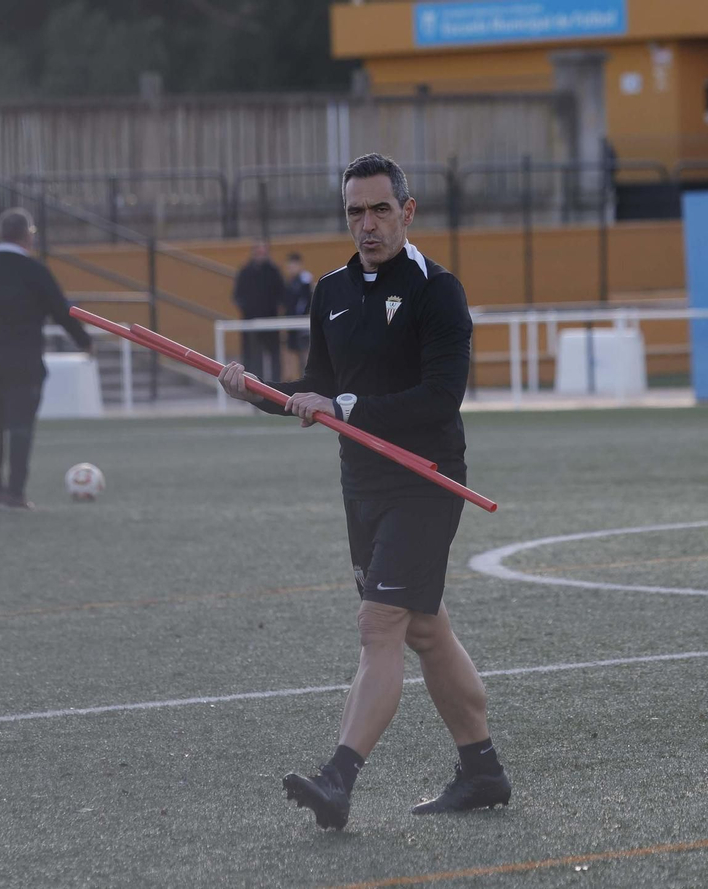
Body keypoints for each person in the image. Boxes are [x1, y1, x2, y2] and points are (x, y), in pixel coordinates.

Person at [218, 154, 509, 830]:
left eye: (380, 209)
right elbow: (317, 388)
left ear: (407, 211)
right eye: (356, 212)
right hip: (362, 483)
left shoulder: (439, 291)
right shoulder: (330, 291)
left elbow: (440, 396)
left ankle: (338, 780)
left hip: (425, 478)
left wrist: (343, 406)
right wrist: (255, 391)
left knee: (379, 625)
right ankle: (483, 770)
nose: (368, 224)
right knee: (425, 629)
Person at [0, 208, 93, 511]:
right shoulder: (35, 271)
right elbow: (62, 311)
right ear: (27, 236)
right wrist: (85, 341)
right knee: (21, 427)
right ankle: (16, 493)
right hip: (24, 363)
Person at [231, 242, 284, 381]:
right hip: (250, 321)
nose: (261, 255)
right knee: (252, 355)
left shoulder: (273, 271)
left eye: (263, 252)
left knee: (274, 355)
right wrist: (247, 308)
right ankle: (251, 384)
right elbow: (237, 295)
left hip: (271, 321)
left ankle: (276, 385)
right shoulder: (245, 271)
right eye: (258, 252)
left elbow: (281, 293)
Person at [281, 251, 314, 378]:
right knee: (290, 352)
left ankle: (307, 378)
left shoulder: (305, 282)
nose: (291, 269)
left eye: (293, 265)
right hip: (291, 323)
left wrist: (303, 315)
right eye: (289, 266)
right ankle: (291, 379)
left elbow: (306, 302)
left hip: (302, 324)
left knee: (305, 354)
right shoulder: (289, 283)